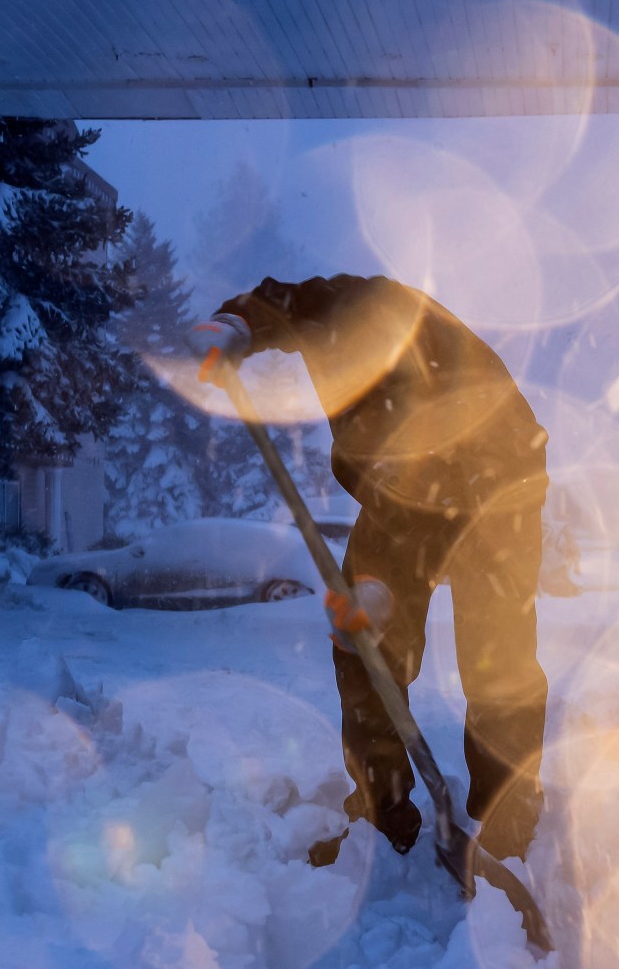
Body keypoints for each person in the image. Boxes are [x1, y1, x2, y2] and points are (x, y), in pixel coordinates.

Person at [190, 275, 549, 866]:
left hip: (499, 484)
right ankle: (385, 813)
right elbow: (282, 301)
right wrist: (233, 325)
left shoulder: (413, 343)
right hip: (401, 491)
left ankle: (510, 818)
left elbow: (436, 485)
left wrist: (384, 589)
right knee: (360, 641)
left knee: (495, 654)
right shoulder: (337, 306)